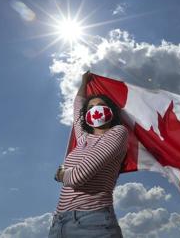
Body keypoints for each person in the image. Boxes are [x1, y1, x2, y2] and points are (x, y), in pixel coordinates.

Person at [48, 71, 127, 238]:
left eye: (100, 106)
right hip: (59, 224)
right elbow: (77, 108)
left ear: (110, 111)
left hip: (93, 222)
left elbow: (78, 177)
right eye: (91, 108)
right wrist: (84, 82)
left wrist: (61, 174)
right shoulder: (83, 139)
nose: (95, 110)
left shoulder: (117, 133)